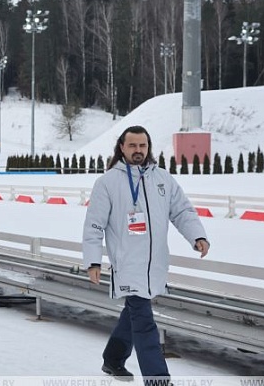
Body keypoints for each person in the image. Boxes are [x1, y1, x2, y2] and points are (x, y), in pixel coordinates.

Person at [82, 125, 210, 382]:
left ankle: (113, 359)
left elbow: (182, 211)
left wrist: (197, 235)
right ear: (121, 147)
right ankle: (158, 378)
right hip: (127, 264)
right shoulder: (107, 183)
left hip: (156, 264)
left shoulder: (162, 178)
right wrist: (93, 261)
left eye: (142, 145)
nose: (138, 150)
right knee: (144, 323)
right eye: (132, 145)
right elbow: (94, 225)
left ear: (148, 147)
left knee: (134, 314)